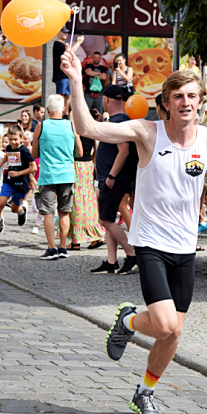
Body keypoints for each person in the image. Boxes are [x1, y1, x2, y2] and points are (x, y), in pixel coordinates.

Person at [61, 47, 207, 414]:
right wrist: (77, 81)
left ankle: (145, 393)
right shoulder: (146, 132)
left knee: (173, 334)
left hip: (184, 247)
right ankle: (127, 322)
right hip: (150, 242)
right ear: (168, 103)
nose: (186, 102)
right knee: (164, 323)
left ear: (201, 102)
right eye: (179, 97)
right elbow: (88, 129)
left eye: (193, 96)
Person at [90, 85, 137, 274]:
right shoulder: (118, 121)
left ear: (107, 100)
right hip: (110, 177)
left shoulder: (119, 123)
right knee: (109, 217)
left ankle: (132, 253)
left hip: (113, 179)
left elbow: (123, 151)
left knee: (105, 221)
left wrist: (111, 176)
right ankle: (111, 261)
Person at [31, 94, 82, 260]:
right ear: (64, 110)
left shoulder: (41, 126)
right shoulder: (70, 125)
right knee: (64, 212)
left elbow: (34, 152)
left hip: (48, 175)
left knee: (48, 213)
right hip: (67, 174)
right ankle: (62, 248)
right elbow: (80, 152)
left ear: (47, 110)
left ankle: (51, 248)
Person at [0, 124, 35, 240]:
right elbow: (6, 157)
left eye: (15, 139)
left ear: (21, 138)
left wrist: (18, 173)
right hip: (9, 181)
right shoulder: (8, 148)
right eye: (10, 139)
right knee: (0, 203)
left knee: (14, 209)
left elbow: (34, 167)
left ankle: (22, 211)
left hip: (21, 183)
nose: (13, 142)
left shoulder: (24, 151)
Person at [69, 107, 104, 251]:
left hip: (77, 165)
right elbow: (96, 148)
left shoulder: (76, 129)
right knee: (89, 202)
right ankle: (96, 235)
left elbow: (78, 150)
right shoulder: (90, 128)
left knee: (76, 201)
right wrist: (93, 164)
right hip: (88, 166)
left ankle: (76, 241)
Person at [52, 28, 84, 117]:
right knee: (61, 95)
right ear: (58, 33)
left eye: (67, 32)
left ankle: (66, 113)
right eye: (64, 32)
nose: (66, 34)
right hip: (61, 75)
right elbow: (69, 53)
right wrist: (78, 42)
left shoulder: (61, 44)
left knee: (68, 96)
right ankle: (58, 113)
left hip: (65, 75)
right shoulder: (57, 44)